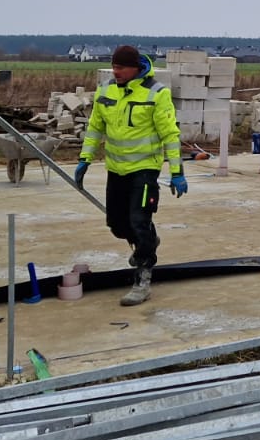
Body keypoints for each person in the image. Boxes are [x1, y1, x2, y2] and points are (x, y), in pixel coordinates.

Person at [74, 45, 185, 306]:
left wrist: (177, 172)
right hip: (116, 169)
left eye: (121, 67)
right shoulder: (106, 91)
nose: (116, 72)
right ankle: (148, 241)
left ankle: (143, 279)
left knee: (138, 221)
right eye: (114, 67)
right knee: (117, 224)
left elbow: (170, 135)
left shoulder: (157, 94)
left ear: (136, 68)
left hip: (145, 171)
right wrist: (84, 159)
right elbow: (94, 128)